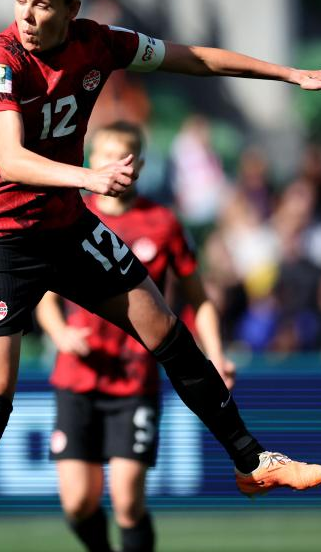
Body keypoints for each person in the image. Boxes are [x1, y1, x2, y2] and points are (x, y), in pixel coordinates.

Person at [0, 0, 321, 552]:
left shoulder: (99, 45)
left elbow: (194, 57)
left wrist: (290, 74)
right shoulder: (0, 59)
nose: (27, 16)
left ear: (72, 10)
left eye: (43, 4)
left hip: (64, 225)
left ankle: (252, 463)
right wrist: (91, 176)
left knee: (165, 328)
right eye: (19, 0)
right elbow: (10, 159)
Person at [36, 121, 234, 552]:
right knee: (78, 503)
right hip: (77, 376)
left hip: (134, 379)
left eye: (121, 156)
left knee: (127, 501)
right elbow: (43, 295)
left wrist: (216, 356)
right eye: (102, 154)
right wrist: (60, 334)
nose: (111, 164)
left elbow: (198, 301)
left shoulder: (162, 223)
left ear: (138, 165)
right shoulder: (70, 215)